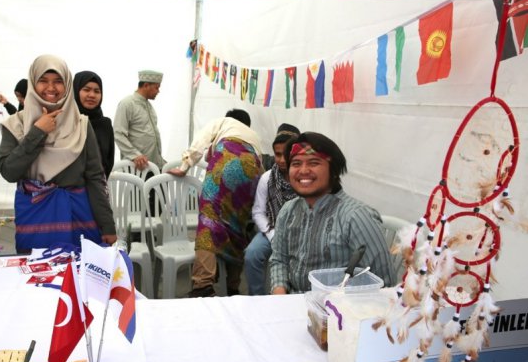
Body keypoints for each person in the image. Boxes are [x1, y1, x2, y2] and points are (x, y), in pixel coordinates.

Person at [0, 54, 116, 251]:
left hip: (79, 215)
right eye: (43, 81)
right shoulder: (15, 125)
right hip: (35, 216)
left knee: (78, 277)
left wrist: (107, 225)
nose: (51, 88)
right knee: (37, 276)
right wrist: (38, 132)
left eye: (58, 81)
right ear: (32, 84)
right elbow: (9, 172)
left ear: (67, 85)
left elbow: (95, 177)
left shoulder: (82, 125)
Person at [269, 132, 394, 294]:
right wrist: (280, 297)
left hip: (339, 311)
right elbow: (279, 260)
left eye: (314, 163)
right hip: (292, 304)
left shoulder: (356, 217)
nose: (303, 170)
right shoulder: (288, 210)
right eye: (296, 163)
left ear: (333, 171)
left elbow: (383, 282)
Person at [168, 109, 263, 297]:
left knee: (209, 219)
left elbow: (202, 141)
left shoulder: (223, 122)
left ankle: (203, 284)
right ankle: (233, 286)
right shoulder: (253, 137)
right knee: (237, 225)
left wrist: (185, 165)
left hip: (227, 158)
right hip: (253, 169)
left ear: (229, 117)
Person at [244, 123, 300, 295]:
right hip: (272, 230)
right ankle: (258, 299)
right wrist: (273, 235)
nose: (282, 160)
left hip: (301, 232)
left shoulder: (303, 177)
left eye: (287, 154)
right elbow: (258, 212)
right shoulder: (267, 178)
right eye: (277, 154)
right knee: (252, 254)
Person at [113, 70, 166, 170]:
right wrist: (134, 155)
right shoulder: (127, 104)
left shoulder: (149, 106)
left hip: (153, 167)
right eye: (156, 87)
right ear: (146, 85)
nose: (158, 91)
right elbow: (118, 133)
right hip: (135, 167)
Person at [73, 71, 114, 178]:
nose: (92, 95)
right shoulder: (68, 121)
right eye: (86, 90)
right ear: (75, 91)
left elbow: (109, 161)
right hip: (70, 189)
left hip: (98, 187)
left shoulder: (105, 124)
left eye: (97, 91)